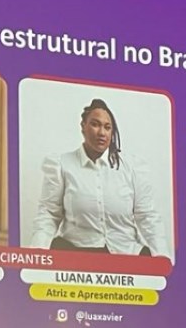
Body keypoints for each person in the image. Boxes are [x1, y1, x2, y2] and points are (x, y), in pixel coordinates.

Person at [29, 98, 167, 258]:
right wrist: (37, 254)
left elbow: (147, 216)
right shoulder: (61, 165)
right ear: (83, 126)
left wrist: (162, 257)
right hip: (76, 253)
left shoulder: (133, 167)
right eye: (95, 124)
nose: (102, 132)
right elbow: (49, 213)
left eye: (107, 127)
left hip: (126, 254)